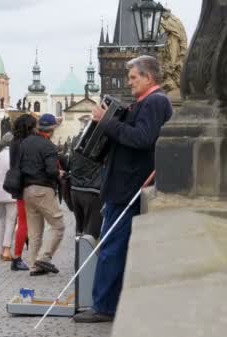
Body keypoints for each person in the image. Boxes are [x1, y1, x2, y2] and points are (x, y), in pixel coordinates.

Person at [74, 55, 172, 323]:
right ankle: (109, 303)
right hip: (124, 186)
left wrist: (107, 121)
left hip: (129, 187)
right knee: (114, 247)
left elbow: (141, 139)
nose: (129, 83)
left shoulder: (156, 101)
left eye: (133, 78)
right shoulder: (146, 102)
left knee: (112, 248)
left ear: (148, 78)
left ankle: (104, 306)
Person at [20, 113, 66, 276]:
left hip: (26, 190)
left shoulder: (25, 143)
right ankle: (43, 258)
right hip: (43, 189)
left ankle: (34, 266)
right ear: (52, 129)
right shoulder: (48, 146)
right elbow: (51, 170)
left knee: (34, 232)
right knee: (58, 225)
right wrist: (59, 174)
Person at [9, 115, 37, 272]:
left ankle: (19, 255)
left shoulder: (14, 142)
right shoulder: (26, 143)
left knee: (23, 222)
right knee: (26, 223)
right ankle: (17, 257)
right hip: (28, 184)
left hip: (18, 185)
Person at [69, 134, 102, 240]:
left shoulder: (77, 138)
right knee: (91, 234)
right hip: (92, 190)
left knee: (80, 229)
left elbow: (69, 163)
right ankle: (86, 255)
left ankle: (78, 254)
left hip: (75, 189)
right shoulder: (101, 138)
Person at [0, 132, 17, 261]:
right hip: (11, 193)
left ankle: (2, 248)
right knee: (11, 221)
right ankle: (6, 249)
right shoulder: (14, 156)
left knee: (2, 221)